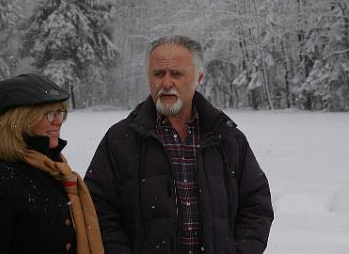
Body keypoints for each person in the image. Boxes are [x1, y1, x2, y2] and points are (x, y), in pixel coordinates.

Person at [84, 35, 274, 254]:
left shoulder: (228, 139)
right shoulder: (120, 139)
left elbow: (256, 205)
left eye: (176, 74)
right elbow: (97, 208)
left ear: (198, 77)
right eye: (158, 74)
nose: (166, 83)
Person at [0, 73, 104, 254]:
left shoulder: (55, 170)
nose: (58, 121)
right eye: (49, 114)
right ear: (20, 121)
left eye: (60, 112)